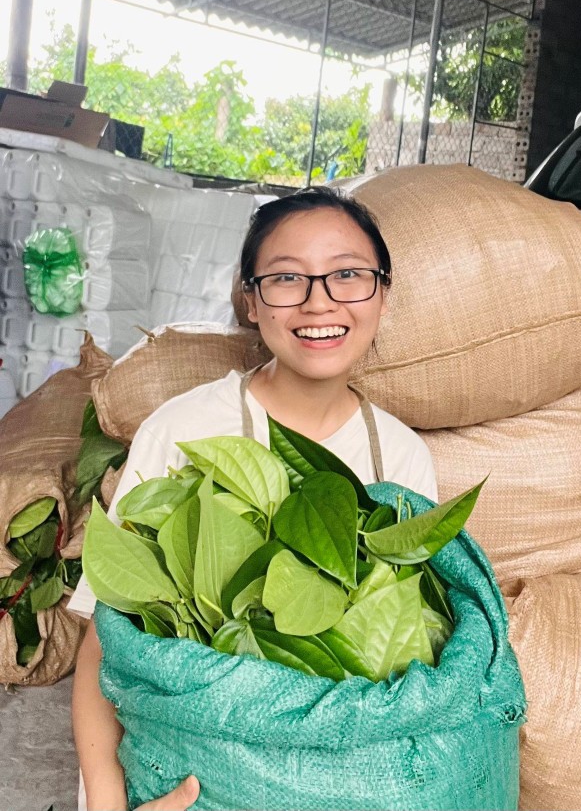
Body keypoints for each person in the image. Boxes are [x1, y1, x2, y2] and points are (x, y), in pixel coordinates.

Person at [69, 186, 438, 811]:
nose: (319, 301)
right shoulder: (183, 430)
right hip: (179, 782)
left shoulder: (400, 459)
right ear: (250, 300)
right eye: (287, 278)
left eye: (348, 274)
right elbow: (105, 647)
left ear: (382, 292)